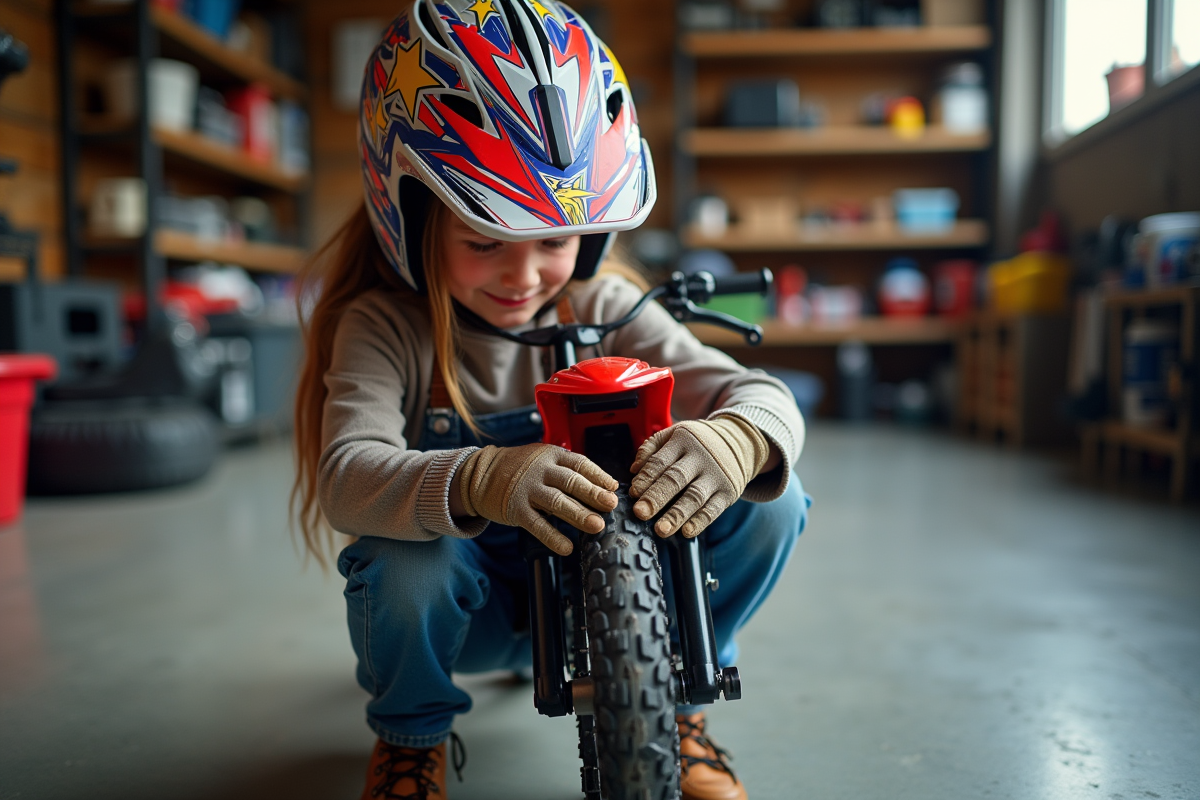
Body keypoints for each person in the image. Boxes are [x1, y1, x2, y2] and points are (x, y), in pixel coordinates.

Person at [291, 2, 809, 798]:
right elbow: (346, 477)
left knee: (773, 500)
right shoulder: (384, 324)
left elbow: (757, 394)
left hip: (616, 603)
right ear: (413, 214)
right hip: (470, 615)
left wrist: (738, 442)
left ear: (593, 234)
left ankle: (680, 712)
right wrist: (479, 480)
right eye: (484, 241)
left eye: (554, 242)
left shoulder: (602, 305)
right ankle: (410, 740)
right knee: (400, 555)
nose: (525, 277)